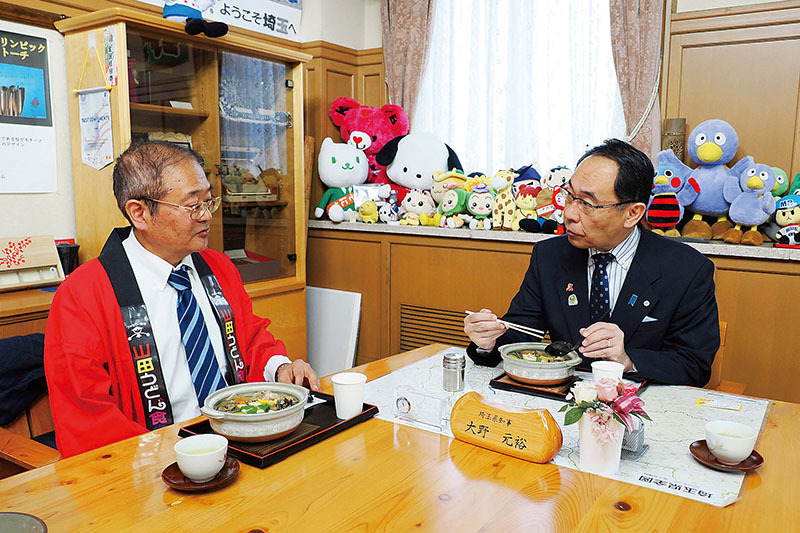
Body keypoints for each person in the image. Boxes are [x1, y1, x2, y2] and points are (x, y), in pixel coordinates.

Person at [44, 141, 320, 457]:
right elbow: (87, 420)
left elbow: (250, 338)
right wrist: (177, 455)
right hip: (153, 468)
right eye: (193, 206)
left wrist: (279, 368)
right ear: (140, 213)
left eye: (209, 201)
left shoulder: (219, 267)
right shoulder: (82, 297)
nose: (207, 216)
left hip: (242, 442)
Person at [464, 139, 719, 386]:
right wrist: (488, 341)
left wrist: (627, 360)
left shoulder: (686, 269)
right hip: (561, 401)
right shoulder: (549, 256)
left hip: (638, 411)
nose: (569, 214)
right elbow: (522, 332)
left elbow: (694, 364)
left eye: (587, 204)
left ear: (632, 213)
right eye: (569, 196)